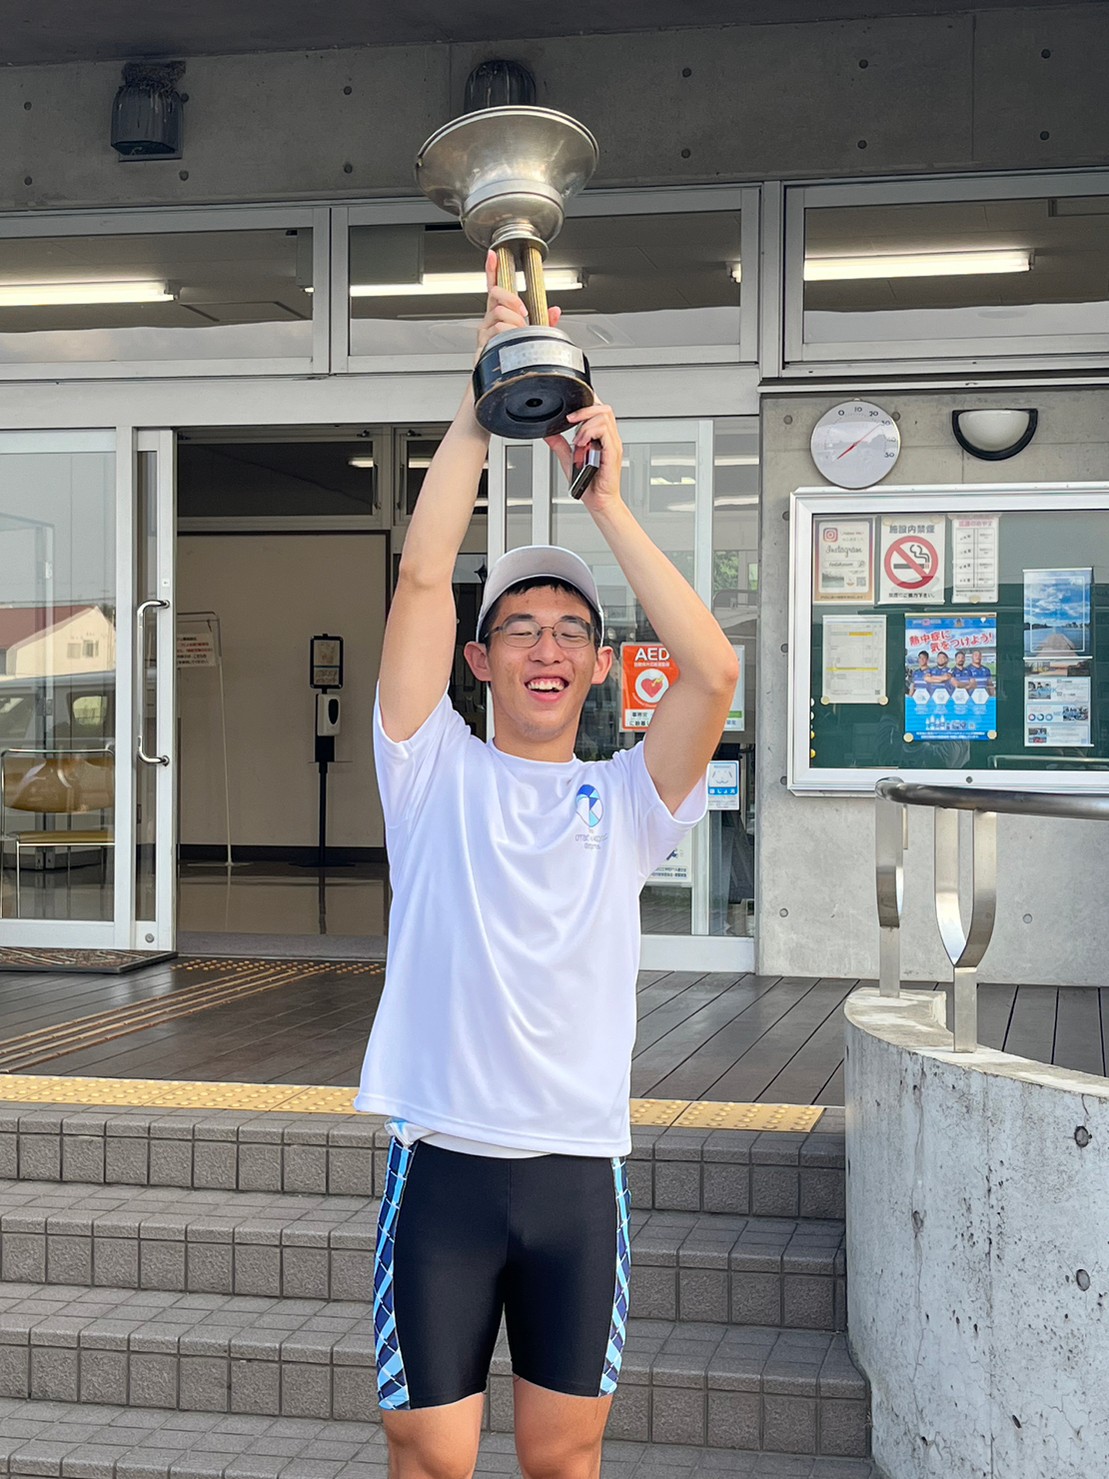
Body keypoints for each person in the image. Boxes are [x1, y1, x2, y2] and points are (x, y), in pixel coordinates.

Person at [354, 254, 738, 1479]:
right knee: (431, 1455)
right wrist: (483, 401)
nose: (546, 646)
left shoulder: (626, 798)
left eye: (571, 630)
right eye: (518, 626)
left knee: (561, 1460)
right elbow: (423, 575)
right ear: (479, 660)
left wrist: (605, 503)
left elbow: (713, 672)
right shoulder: (429, 770)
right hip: (442, 1164)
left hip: (577, 1172)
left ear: (596, 666)